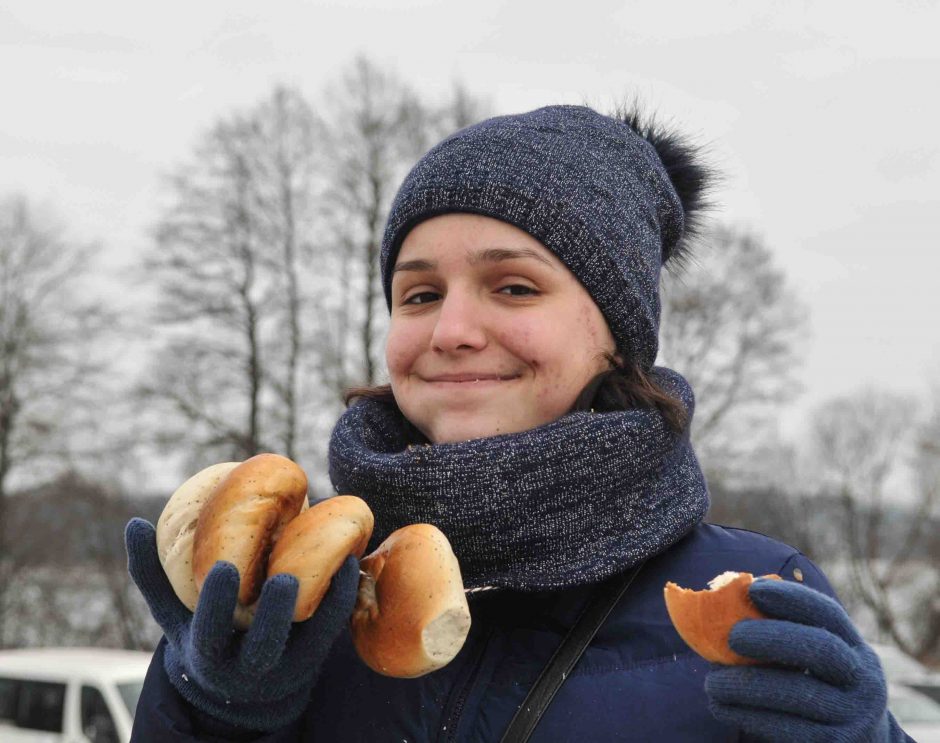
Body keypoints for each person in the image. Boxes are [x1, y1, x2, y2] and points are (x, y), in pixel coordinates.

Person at [125, 104, 913, 742]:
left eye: (513, 287)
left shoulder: (756, 601)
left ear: (616, 336)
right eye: (420, 294)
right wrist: (207, 716)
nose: (451, 330)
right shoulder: (291, 600)